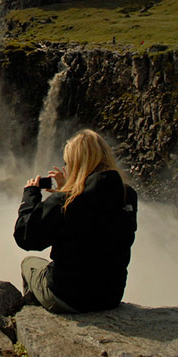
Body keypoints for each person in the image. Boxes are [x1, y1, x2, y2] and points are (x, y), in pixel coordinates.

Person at [14, 129, 137, 314]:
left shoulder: (67, 201)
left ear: (75, 162)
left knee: (29, 263)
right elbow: (93, 220)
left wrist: (30, 195)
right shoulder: (127, 195)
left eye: (67, 162)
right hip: (111, 296)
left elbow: (26, 236)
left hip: (68, 296)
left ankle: (34, 314)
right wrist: (66, 188)